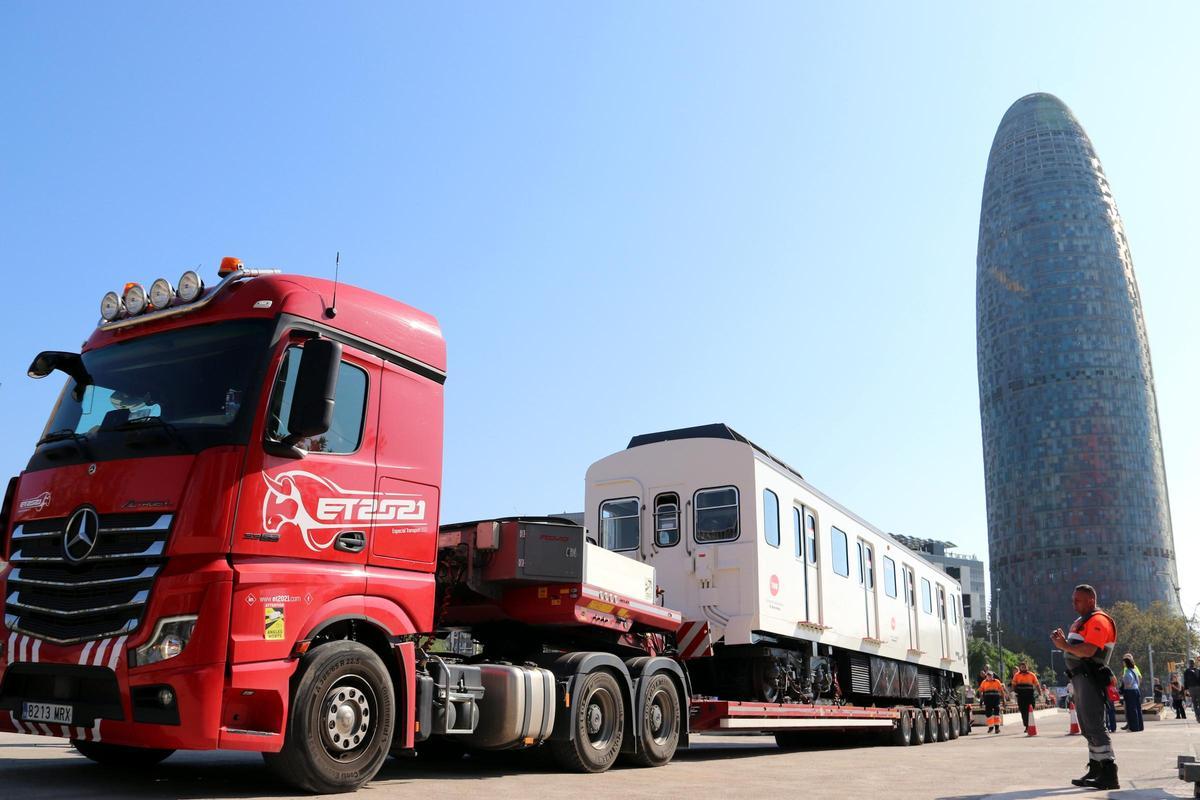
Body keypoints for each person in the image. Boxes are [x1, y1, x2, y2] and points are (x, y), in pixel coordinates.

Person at [1051, 583, 1119, 790]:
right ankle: (1096, 768)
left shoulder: (1098, 620)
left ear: (1091, 600)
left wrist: (1064, 646)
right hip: (1080, 677)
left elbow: (1089, 650)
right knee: (1087, 726)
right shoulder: (1082, 621)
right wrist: (1064, 644)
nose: (1073, 603)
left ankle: (1108, 772)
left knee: (1094, 725)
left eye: (1077, 600)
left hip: (1090, 676)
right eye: (1073, 599)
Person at [1011, 661, 1040, 730]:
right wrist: (1014, 692)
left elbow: (1037, 685)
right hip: (1021, 695)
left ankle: (1030, 724)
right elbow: (1013, 684)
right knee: (1023, 711)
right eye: (1022, 667)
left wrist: (1040, 693)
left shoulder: (1032, 674)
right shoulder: (1017, 675)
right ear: (1020, 668)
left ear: (1027, 667)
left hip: (1029, 695)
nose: (1023, 668)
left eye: (1024, 666)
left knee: (1031, 709)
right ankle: (1027, 726)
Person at [1120, 653, 1144, 732]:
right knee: (1137, 709)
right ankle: (1140, 726)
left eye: (1124, 662)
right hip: (1136, 690)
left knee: (1132, 710)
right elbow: (1138, 679)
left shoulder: (1127, 671)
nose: (1123, 664)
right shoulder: (1134, 669)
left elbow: (1128, 682)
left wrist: (1124, 680)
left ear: (1126, 663)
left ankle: (1133, 727)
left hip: (1130, 691)